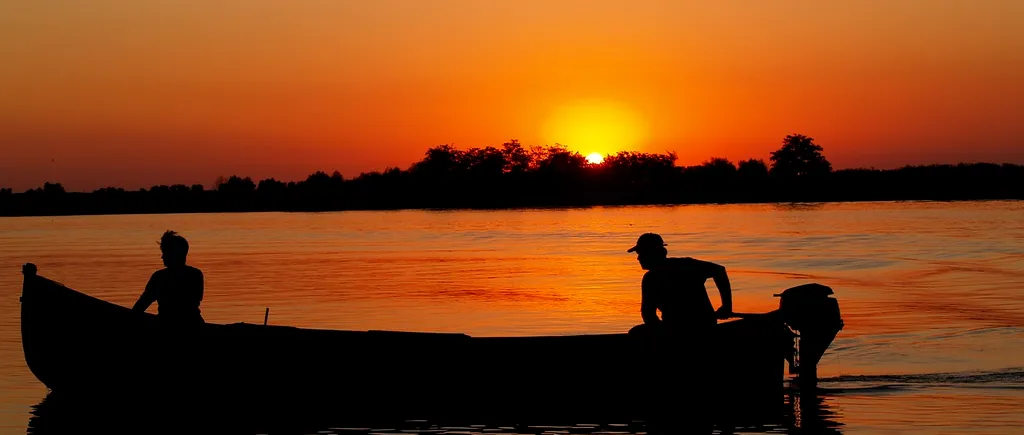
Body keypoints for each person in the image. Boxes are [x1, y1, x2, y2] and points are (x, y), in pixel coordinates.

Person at [626, 232, 733, 338]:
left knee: (635, 333)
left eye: (641, 254)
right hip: (705, 325)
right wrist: (726, 306)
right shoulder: (687, 264)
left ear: (651, 253)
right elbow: (719, 271)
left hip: (675, 329)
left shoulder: (651, 279)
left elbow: (648, 315)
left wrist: (661, 332)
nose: (638, 258)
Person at [132, 230, 205, 324]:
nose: (162, 257)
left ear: (174, 254)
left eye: (165, 252)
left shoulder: (159, 278)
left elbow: (141, 306)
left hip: (166, 325)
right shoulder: (196, 274)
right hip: (195, 324)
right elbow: (195, 301)